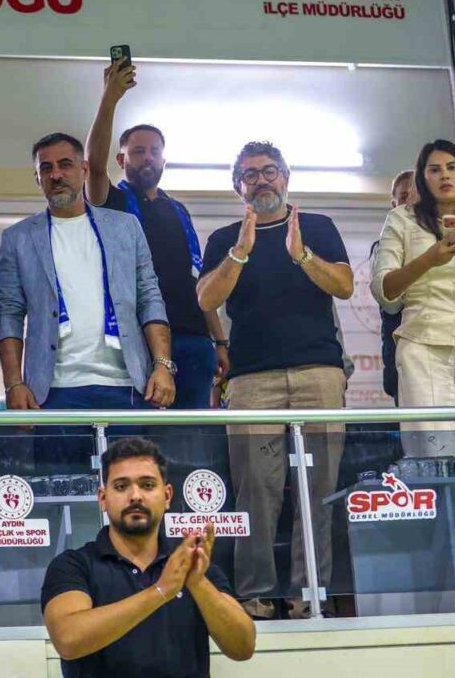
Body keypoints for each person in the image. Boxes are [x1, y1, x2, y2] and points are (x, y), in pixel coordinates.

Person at [197, 141, 352, 620]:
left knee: (318, 490)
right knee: (255, 493)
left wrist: (302, 255)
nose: (261, 180)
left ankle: (309, 594)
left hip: (318, 372)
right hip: (251, 380)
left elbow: (345, 285)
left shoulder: (318, 226)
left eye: (269, 171)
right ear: (237, 186)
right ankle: (255, 595)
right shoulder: (225, 237)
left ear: (286, 176)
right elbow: (206, 299)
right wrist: (239, 254)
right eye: (250, 174)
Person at [0, 133, 173, 430]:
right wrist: (13, 384)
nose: (56, 175)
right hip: (52, 392)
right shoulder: (18, 238)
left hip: (127, 385)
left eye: (65, 164)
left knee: (134, 463)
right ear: (38, 178)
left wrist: (163, 365)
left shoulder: (125, 227)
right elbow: (9, 312)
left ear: (85, 169)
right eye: (46, 168)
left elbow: (149, 296)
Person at [42, 437, 255, 677]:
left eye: (147, 485)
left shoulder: (192, 566)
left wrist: (197, 583)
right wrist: (161, 590)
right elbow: (68, 640)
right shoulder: (74, 565)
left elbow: (243, 647)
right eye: (121, 486)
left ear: (167, 496)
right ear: (102, 498)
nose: (135, 496)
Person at [85, 61, 229, 410]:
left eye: (154, 151)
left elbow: (198, 279)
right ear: (122, 159)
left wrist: (220, 341)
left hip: (194, 341)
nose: (147, 158)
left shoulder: (178, 210)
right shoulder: (112, 202)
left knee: (192, 438)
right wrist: (109, 99)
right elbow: (94, 165)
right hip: (138, 341)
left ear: (164, 159)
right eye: (138, 151)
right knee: (140, 435)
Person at [372, 141, 455, 457]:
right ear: (422, 178)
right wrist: (429, 259)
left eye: (452, 167)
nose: (444, 175)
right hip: (423, 346)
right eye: (434, 169)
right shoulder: (402, 219)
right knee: (434, 455)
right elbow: (384, 291)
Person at [374, 170, 417, 402]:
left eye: (416, 195)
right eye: (403, 197)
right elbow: (391, 302)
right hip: (403, 355)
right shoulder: (383, 249)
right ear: (393, 204)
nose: (410, 202)